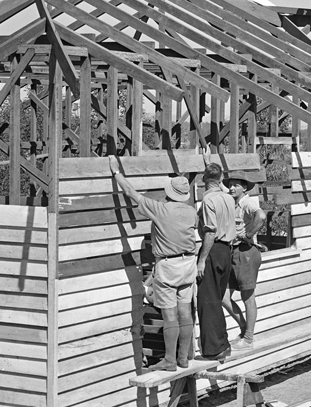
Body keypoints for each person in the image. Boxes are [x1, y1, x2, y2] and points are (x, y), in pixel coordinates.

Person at [109, 158, 198, 371]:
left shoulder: (160, 209)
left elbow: (130, 192)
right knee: (185, 313)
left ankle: (169, 360)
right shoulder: (191, 212)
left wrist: (116, 172)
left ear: (168, 193)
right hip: (188, 264)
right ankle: (183, 358)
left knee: (169, 316)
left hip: (168, 266)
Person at [196, 163, 237, 362]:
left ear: (204, 180)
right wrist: (209, 163)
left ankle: (214, 349)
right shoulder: (228, 197)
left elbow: (210, 232)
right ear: (221, 179)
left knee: (207, 301)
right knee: (217, 298)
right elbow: (217, 181)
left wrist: (202, 260)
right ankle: (223, 343)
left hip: (213, 249)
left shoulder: (208, 201)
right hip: (227, 250)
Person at [223, 175, 267, 350]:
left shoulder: (247, 203)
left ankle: (248, 338)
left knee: (247, 297)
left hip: (246, 252)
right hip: (234, 252)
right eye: (230, 185)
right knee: (223, 297)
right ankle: (244, 330)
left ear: (244, 188)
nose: (231, 188)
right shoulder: (233, 203)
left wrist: (249, 235)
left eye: (236, 185)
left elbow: (261, 216)